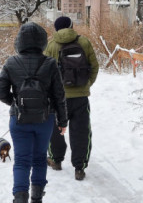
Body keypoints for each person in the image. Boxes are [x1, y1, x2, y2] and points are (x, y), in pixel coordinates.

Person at [0, 22, 68, 203]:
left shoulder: (11, 62)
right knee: (39, 159)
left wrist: (14, 102)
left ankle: (20, 198)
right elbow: (60, 95)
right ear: (42, 41)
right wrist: (63, 121)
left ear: (19, 41)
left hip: (19, 120)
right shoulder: (50, 63)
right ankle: (37, 198)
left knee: (21, 160)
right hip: (45, 120)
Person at [44, 16, 99, 181]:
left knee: (55, 130)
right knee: (81, 131)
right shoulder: (84, 42)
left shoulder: (51, 45)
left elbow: (46, 72)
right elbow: (94, 66)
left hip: (58, 99)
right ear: (71, 26)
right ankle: (79, 168)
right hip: (80, 98)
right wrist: (87, 84)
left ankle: (55, 160)